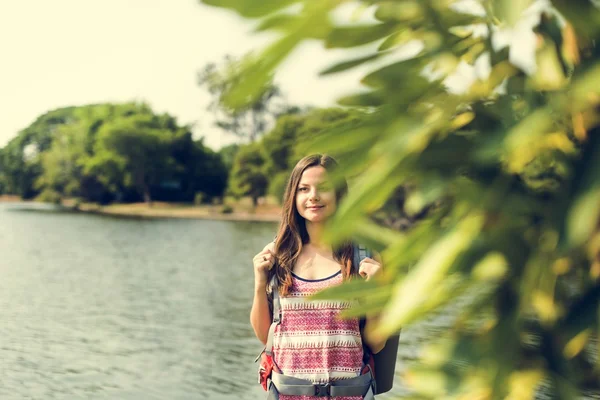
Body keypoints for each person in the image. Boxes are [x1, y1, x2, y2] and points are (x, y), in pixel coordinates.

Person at [251, 154, 386, 399]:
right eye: (304, 189)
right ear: (294, 196)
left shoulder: (362, 257)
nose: (313, 196)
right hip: (289, 393)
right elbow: (264, 336)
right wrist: (260, 284)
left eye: (323, 188)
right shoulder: (277, 256)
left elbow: (376, 344)